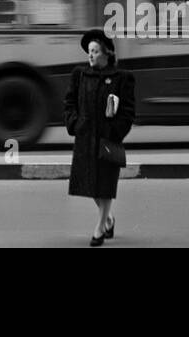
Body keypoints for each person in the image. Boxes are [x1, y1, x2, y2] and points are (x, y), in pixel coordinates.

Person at [63, 29, 136, 246]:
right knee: (89, 185)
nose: (91, 55)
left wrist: (115, 131)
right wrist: (75, 124)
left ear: (106, 54)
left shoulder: (122, 78)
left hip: (108, 139)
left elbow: (128, 111)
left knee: (105, 184)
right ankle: (109, 219)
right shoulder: (80, 75)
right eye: (89, 52)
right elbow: (69, 102)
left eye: (95, 51)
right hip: (85, 139)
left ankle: (99, 228)